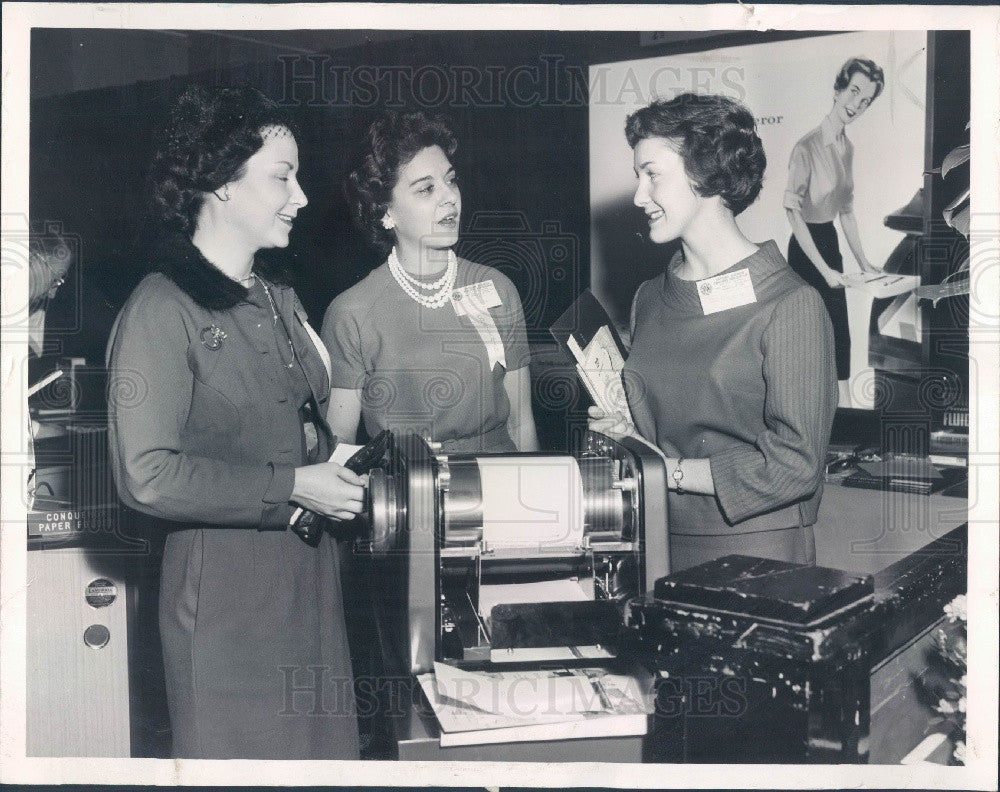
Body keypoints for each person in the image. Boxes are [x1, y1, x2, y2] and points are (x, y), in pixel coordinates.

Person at [106, 86, 364, 759]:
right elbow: (147, 477)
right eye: (283, 176)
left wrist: (338, 461)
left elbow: (303, 425)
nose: (301, 196)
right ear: (220, 183)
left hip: (309, 584)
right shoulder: (162, 307)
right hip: (225, 604)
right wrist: (294, 486)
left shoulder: (277, 295)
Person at [591, 93, 837, 573]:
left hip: (757, 550)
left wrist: (671, 473)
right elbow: (658, 433)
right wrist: (625, 437)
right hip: (653, 537)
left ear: (704, 171)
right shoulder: (649, 297)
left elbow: (797, 465)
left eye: (652, 174)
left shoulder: (791, 306)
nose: (640, 195)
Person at [322, 111, 538, 453]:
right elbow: (341, 446)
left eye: (451, 180)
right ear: (385, 212)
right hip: (408, 490)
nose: (449, 197)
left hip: (501, 483)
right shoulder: (351, 313)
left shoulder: (497, 288)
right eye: (426, 189)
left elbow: (521, 422)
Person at [784, 57, 885, 407]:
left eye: (865, 100)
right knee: (812, 341)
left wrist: (864, 263)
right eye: (853, 92)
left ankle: (845, 412)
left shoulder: (847, 148)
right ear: (837, 90)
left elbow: (846, 211)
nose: (856, 105)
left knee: (840, 337)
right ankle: (814, 413)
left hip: (830, 245)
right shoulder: (806, 147)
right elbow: (792, 212)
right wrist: (824, 271)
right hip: (805, 251)